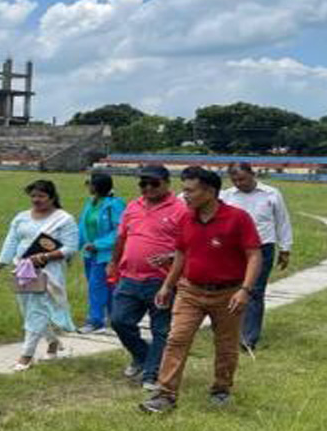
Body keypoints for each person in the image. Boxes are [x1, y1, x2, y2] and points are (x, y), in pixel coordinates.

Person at [140, 167, 262, 413]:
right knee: (176, 339)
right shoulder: (186, 218)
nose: (184, 195)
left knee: (226, 344)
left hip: (228, 293)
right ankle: (165, 394)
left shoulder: (238, 218)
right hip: (190, 292)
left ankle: (221, 389)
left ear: (209, 191)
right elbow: (182, 254)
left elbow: (254, 255)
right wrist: (167, 285)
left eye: (190, 190)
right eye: (184, 189)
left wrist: (245, 290)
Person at [107, 164, 189, 390]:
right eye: (143, 183)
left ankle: (152, 374)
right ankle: (143, 357)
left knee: (160, 329)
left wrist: (171, 258)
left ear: (167, 183)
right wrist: (114, 262)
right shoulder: (133, 205)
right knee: (119, 320)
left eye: (154, 183)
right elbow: (122, 237)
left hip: (162, 280)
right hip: (130, 277)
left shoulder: (181, 209)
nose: (148, 188)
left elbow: (189, 246)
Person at [0, 180, 78, 370]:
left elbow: (71, 247)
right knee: (27, 310)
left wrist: (45, 256)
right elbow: (10, 243)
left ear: (52, 197)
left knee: (37, 310)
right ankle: (52, 342)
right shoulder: (21, 217)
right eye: (33, 196)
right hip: (23, 270)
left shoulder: (64, 219)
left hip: (47, 271)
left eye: (41, 196)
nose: (36, 200)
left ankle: (26, 356)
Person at [221, 162, 293, 350]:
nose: (239, 183)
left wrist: (285, 249)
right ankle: (227, 329)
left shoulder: (271, 194)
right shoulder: (226, 196)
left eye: (242, 178)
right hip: (233, 249)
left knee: (253, 291)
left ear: (253, 174)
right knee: (229, 289)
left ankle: (248, 338)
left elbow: (282, 222)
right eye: (234, 179)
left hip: (262, 248)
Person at [77, 170, 125, 333]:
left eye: (89, 183)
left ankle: (96, 321)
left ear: (96, 185)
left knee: (97, 286)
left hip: (106, 254)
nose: (87, 186)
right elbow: (83, 226)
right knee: (100, 286)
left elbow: (120, 230)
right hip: (89, 254)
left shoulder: (114, 204)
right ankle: (113, 319)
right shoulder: (91, 203)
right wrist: (74, 246)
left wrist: (98, 244)